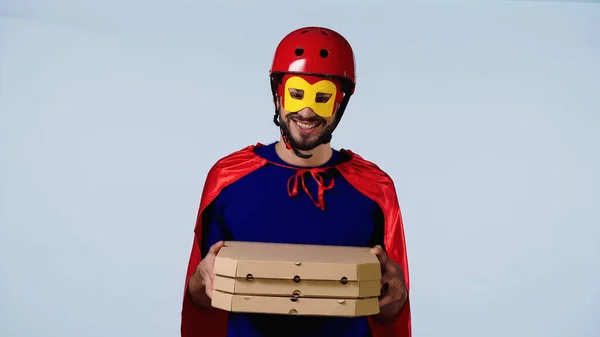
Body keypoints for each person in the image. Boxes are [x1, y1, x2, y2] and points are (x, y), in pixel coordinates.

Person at [180, 26, 412, 337]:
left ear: (341, 102)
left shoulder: (372, 188)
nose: (306, 111)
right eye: (297, 93)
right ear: (278, 94)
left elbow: (387, 315)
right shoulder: (229, 179)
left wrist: (396, 293)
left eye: (322, 98)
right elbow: (202, 300)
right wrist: (200, 278)